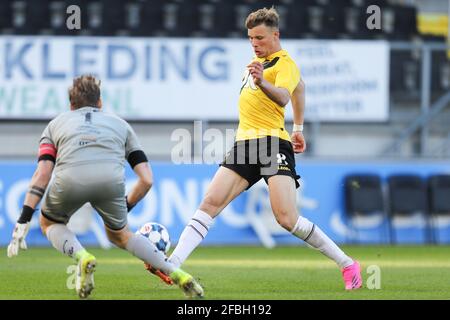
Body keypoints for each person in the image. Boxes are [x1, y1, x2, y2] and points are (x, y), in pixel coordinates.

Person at [166, 7, 362, 291]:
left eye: (259, 38)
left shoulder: (285, 64)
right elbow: (302, 89)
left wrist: (264, 85)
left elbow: (285, 95)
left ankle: (347, 264)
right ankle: (172, 265)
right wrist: (300, 129)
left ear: (275, 35)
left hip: (273, 144)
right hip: (244, 144)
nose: (254, 44)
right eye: (250, 39)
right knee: (210, 203)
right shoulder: (256, 64)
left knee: (286, 219)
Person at [6, 75, 204, 299]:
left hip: (69, 179)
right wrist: (125, 206)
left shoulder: (55, 125)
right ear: (100, 103)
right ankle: (176, 272)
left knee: (49, 222)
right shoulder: (121, 125)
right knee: (121, 236)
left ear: (71, 105)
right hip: (111, 183)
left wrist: (24, 218)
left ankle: (82, 257)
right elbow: (147, 179)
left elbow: (43, 174)